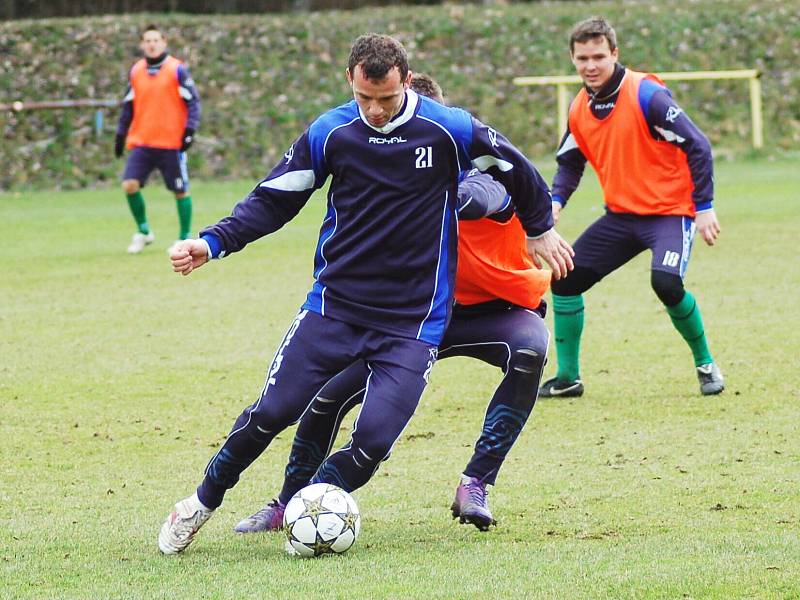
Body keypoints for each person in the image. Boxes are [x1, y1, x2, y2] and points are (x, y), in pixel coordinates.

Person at [159, 34, 573, 555]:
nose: (375, 110)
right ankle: (199, 502)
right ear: (350, 82)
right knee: (272, 412)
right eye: (364, 99)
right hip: (334, 309)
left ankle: (308, 508)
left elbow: (513, 169)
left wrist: (538, 226)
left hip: (412, 325)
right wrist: (213, 242)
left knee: (374, 441)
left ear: (405, 80)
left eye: (387, 99)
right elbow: (274, 198)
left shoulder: (448, 128)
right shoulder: (332, 132)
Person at [233, 73, 560, 534]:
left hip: (490, 311)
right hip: (408, 317)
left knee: (531, 347)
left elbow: (489, 195)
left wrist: (433, 193)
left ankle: (476, 482)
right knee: (326, 398)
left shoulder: (477, 167)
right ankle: (290, 504)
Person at [538, 17, 724, 398]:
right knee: (565, 278)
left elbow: (698, 145)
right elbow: (570, 162)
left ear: (614, 54)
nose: (590, 65)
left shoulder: (646, 95)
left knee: (667, 283)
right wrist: (555, 201)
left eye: (598, 57)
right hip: (621, 217)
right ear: (573, 59)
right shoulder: (579, 108)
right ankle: (568, 377)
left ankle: (706, 364)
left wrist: (704, 207)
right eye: (582, 58)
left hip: (671, 213)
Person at [115, 24, 201, 254]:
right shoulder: (136, 71)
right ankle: (143, 231)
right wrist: (120, 133)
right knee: (129, 184)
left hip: (171, 143)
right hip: (142, 142)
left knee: (180, 190)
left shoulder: (177, 70)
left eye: (156, 40)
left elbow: (193, 102)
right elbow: (128, 106)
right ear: (142, 44)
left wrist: (189, 130)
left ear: (164, 42)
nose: (151, 44)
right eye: (147, 40)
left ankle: (184, 237)